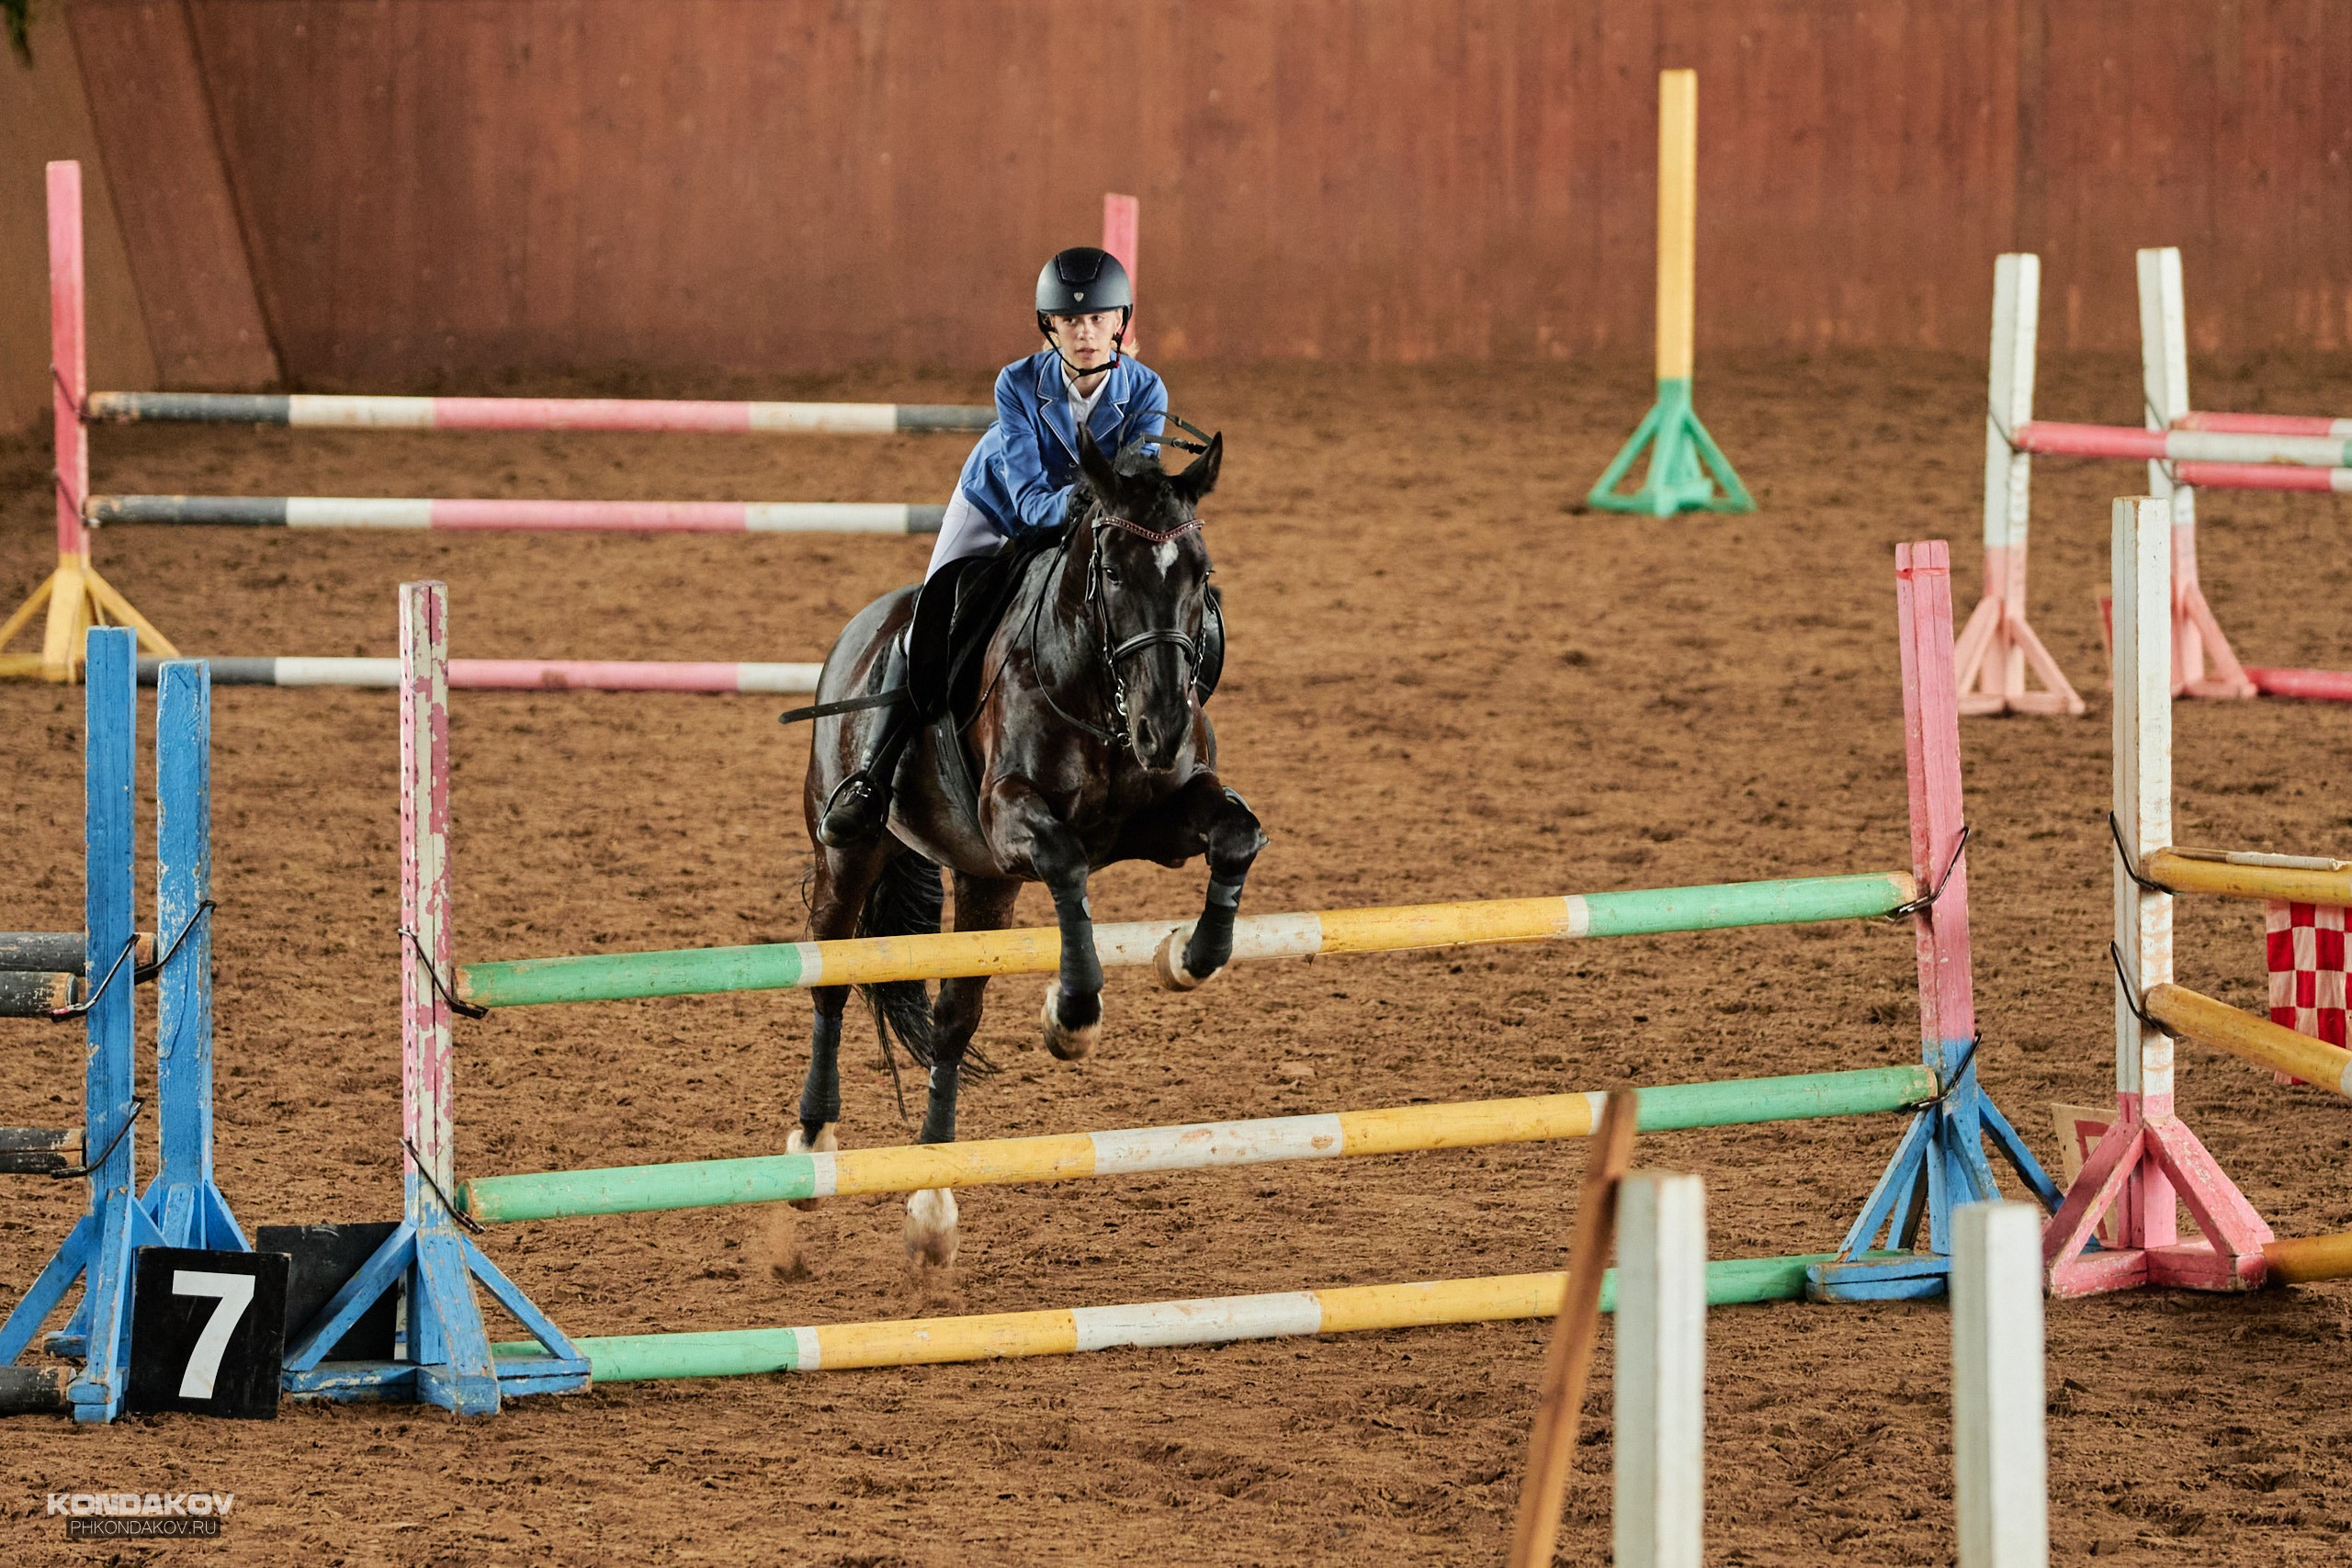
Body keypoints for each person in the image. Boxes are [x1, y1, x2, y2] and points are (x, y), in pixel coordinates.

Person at [817, 246, 1169, 846]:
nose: (1085, 333)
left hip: (1085, 524)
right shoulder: (1017, 384)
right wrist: (1078, 506)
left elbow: (1139, 482)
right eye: (1070, 321)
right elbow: (1030, 494)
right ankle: (871, 778)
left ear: (1120, 321)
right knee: (931, 615)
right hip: (996, 508)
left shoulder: (1146, 392)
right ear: (1049, 327)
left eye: (1098, 319)